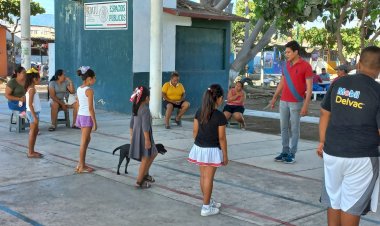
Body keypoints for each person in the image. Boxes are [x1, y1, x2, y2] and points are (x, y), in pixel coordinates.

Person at [317, 46, 380, 226]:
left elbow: (324, 113)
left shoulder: (339, 83)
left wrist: (322, 141)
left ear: (359, 64)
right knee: (350, 206)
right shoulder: (378, 91)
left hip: (332, 153)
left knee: (334, 201)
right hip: (362, 158)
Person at [188, 84, 228, 217]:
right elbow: (222, 138)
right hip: (211, 150)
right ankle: (206, 207)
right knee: (209, 178)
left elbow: (195, 131)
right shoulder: (220, 116)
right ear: (219, 99)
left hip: (199, 148)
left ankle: (207, 200)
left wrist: (200, 144)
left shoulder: (199, 111)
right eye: (222, 97)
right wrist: (225, 155)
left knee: (203, 176)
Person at [270, 40, 313, 164]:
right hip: (283, 101)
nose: (286, 54)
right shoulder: (285, 65)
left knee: (294, 128)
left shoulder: (306, 66)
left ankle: (292, 153)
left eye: (288, 52)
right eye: (286, 52)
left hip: (296, 102)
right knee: (283, 128)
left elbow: (309, 89)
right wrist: (274, 97)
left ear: (296, 52)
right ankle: (284, 151)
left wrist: (306, 105)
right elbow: (282, 82)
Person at [129, 86, 158, 188]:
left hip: (137, 135)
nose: (150, 99)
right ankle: (139, 181)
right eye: (149, 96)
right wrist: (147, 140)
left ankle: (145, 175)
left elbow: (131, 124)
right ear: (146, 98)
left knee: (153, 153)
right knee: (146, 158)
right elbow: (145, 126)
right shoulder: (145, 109)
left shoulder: (136, 106)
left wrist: (132, 136)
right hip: (144, 135)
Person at [75, 67, 97, 173]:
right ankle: (81, 165)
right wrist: (95, 122)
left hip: (81, 115)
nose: (95, 80)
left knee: (87, 139)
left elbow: (78, 103)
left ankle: (81, 163)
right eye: (94, 78)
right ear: (89, 78)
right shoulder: (89, 90)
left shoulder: (79, 89)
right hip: (87, 116)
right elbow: (90, 108)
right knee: (84, 142)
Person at [25, 68, 43, 158]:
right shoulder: (32, 89)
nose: (39, 80)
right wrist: (35, 117)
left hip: (34, 113)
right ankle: (30, 152)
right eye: (38, 78)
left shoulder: (32, 88)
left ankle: (32, 150)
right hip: (33, 113)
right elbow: (30, 104)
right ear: (34, 79)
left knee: (35, 132)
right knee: (33, 132)